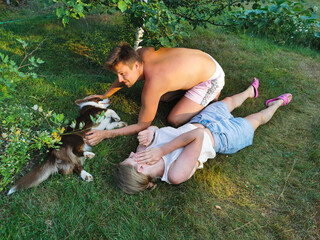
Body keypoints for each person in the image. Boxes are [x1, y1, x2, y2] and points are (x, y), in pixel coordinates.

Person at [114, 79, 293, 194]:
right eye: (131, 159)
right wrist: (161, 150)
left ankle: (250, 92)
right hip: (224, 137)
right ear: (141, 169)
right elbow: (197, 136)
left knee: (228, 101)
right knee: (258, 119)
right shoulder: (176, 174)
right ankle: (276, 104)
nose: (130, 154)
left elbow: (155, 129)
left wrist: (151, 131)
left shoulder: (143, 150)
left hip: (202, 120)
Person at [84, 43, 225, 146]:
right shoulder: (140, 53)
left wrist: (105, 134)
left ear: (137, 66)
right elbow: (125, 76)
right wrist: (106, 95)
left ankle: (213, 95)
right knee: (163, 98)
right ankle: (187, 88)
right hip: (201, 59)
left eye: (122, 74)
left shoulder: (154, 84)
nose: (120, 79)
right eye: (117, 74)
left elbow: (142, 125)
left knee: (174, 118)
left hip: (211, 78)